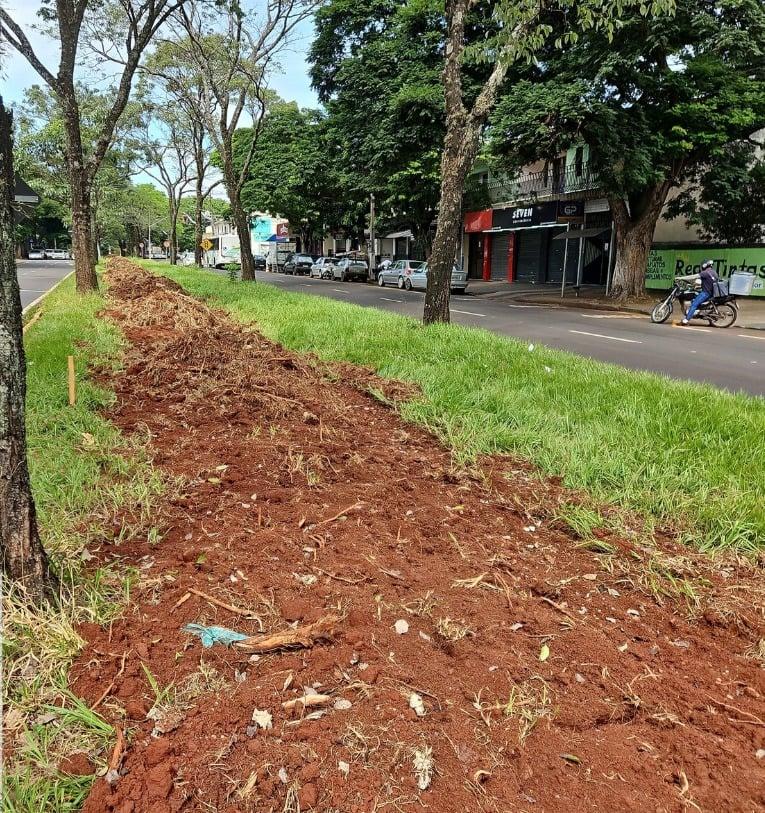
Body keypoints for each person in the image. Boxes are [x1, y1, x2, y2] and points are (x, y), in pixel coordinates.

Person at [678, 260, 718, 325]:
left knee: (694, 304)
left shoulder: (705, 273)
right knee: (695, 296)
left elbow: (693, 277)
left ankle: (686, 320)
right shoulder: (714, 272)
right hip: (711, 293)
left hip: (706, 293)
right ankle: (696, 312)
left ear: (704, 265)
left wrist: (681, 278)